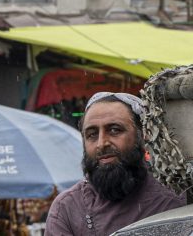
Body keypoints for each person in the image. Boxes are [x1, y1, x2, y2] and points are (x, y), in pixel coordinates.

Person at [46, 92, 185, 235]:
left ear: (143, 135)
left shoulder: (175, 197)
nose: (101, 144)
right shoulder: (67, 209)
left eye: (114, 130)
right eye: (92, 134)